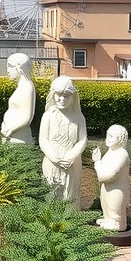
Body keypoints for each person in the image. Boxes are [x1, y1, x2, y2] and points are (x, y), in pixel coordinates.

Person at [38, 76, 87, 209]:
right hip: (52, 160)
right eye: (58, 95)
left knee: (70, 193)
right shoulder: (48, 116)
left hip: (72, 162)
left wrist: (70, 157)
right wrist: (55, 158)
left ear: (73, 97)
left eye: (66, 96)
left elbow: (82, 140)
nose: (62, 99)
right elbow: (43, 140)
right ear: (53, 95)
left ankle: (70, 224)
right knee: (53, 192)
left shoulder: (78, 117)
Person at [91, 125, 130, 231]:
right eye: (107, 135)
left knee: (115, 209)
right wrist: (98, 161)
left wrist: (97, 161)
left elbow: (106, 175)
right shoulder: (110, 152)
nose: (107, 139)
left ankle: (118, 224)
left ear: (120, 139)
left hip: (117, 189)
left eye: (111, 136)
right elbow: (102, 172)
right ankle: (108, 219)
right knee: (106, 205)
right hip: (107, 186)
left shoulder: (122, 154)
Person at [0, 53, 36, 145]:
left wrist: (11, 129)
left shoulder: (28, 87)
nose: (8, 70)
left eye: (10, 66)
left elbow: (28, 117)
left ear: (20, 68)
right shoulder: (21, 86)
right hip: (11, 135)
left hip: (19, 137)